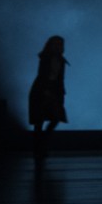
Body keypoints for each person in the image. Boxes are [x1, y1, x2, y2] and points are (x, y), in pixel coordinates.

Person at [28, 35, 68, 168]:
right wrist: (45, 91)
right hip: (41, 90)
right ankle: (39, 150)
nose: (58, 46)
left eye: (60, 44)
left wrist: (60, 92)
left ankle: (42, 145)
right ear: (50, 45)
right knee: (39, 122)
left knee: (55, 118)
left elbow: (59, 78)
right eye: (55, 44)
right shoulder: (45, 58)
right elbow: (43, 75)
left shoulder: (61, 61)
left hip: (54, 91)